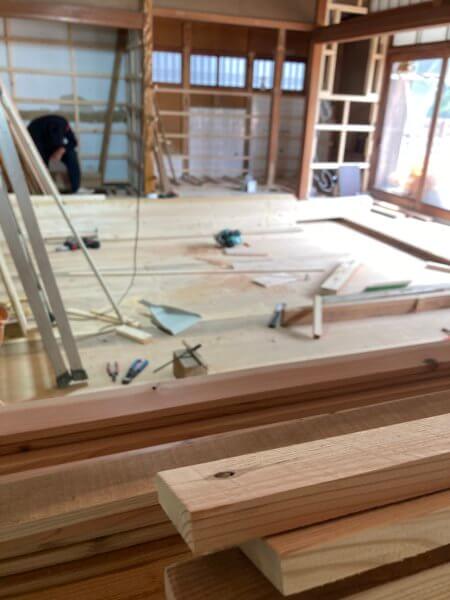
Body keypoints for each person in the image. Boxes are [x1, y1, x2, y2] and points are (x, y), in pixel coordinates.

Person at [28, 115, 81, 193]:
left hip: (57, 147)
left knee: (71, 154)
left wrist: (61, 150)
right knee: (40, 163)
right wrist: (45, 163)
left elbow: (73, 142)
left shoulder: (64, 124)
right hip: (38, 147)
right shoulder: (35, 128)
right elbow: (35, 151)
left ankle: (74, 188)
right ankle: (44, 187)